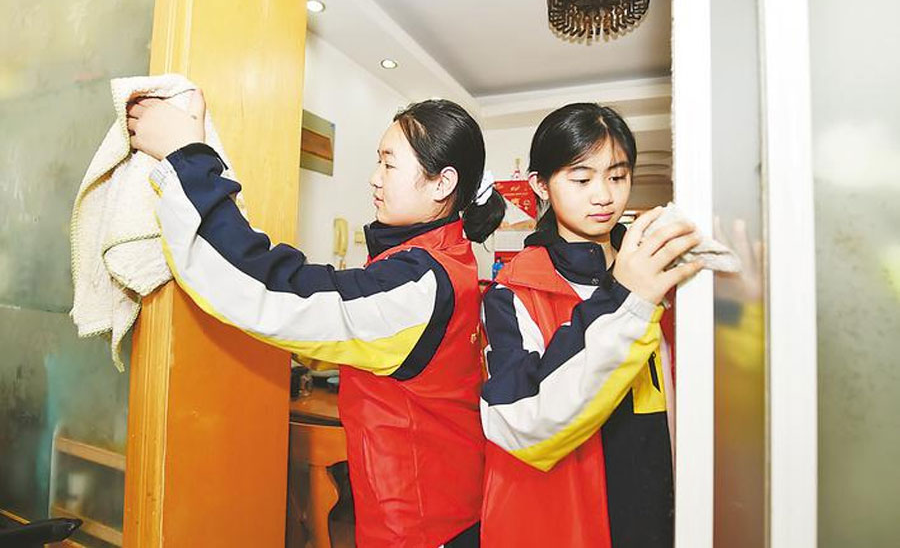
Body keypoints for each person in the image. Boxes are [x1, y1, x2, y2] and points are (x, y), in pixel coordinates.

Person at [127, 92, 505, 548]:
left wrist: (186, 157)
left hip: (423, 525)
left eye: (388, 164)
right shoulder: (443, 260)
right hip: (443, 507)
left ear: (442, 183)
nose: (374, 178)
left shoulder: (419, 283)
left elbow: (272, 290)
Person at [478, 103, 701, 547]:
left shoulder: (665, 271)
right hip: (572, 513)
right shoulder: (513, 292)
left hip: (666, 498)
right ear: (540, 184)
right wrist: (624, 297)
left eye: (617, 176)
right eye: (581, 179)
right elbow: (516, 420)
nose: (604, 196)